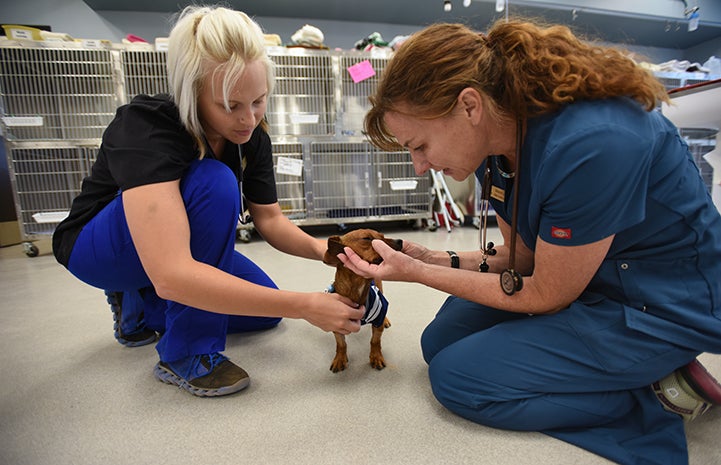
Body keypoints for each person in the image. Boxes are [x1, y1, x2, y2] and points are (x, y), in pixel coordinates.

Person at [337, 20, 721, 465]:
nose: (420, 166)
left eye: (420, 145)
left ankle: (650, 394)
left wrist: (420, 274)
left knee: (458, 379)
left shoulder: (592, 143)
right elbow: (522, 259)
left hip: (659, 305)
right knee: (439, 340)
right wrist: (431, 256)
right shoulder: (495, 150)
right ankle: (604, 370)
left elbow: (545, 293)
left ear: (469, 106)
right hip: (592, 279)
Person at [52, 5, 366, 397]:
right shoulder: (148, 125)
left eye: (258, 101)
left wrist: (328, 252)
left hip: (166, 254)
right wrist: (306, 305)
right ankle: (186, 353)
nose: (248, 119)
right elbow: (173, 273)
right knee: (213, 182)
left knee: (262, 314)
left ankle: (139, 301)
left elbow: (269, 220)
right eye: (229, 105)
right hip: (97, 246)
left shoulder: (251, 137)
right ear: (192, 93)